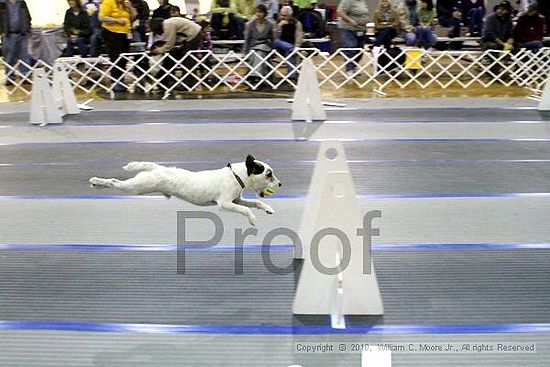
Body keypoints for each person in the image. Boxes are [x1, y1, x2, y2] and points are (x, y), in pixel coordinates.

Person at [149, 16, 202, 88]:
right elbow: (174, 40)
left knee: (188, 60)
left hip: (193, 35)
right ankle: (188, 83)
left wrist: (159, 50)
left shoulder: (167, 25)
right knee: (187, 59)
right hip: (193, 34)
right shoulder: (168, 23)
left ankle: (188, 85)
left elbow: (170, 43)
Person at [98, 0, 137, 91]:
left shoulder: (124, 4)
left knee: (124, 58)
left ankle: (121, 80)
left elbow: (133, 17)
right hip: (111, 33)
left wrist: (131, 8)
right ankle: (115, 81)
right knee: (115, 57)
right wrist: (116, 20)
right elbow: (101, 17)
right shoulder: (108, 2)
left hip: (125, 33)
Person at [0, 0, 32, 80]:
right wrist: (2, 31)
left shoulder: (22, 3)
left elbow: (28, 16)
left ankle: (25, 76)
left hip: (23, 34)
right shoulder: (2, 3)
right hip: (8, 35)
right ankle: (10, 77)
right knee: (9, 57)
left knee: (25, 56)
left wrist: (28, 28)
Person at [337, 0, 369, 76]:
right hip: (348, 29)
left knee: (359, 49)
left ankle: (354, 67)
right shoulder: (347, 1)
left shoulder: (362, 1)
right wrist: (350, 20)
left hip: (361, 29)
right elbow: (340, 12)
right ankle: (349, 69)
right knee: (350, 48)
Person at [244, 4, 274, 82]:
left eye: (260, 12)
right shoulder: (250, 24)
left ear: (265, 13)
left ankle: (254, 74)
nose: (258, 14)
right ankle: (258, 75)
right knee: (258, 52)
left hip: (265, 46)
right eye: (257, 12)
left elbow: (272, 38)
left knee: (261, 49)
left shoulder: (269, 24)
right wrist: (245, 51)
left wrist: (273, 49)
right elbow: (247, 39)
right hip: (253, 46)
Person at [273, 5, 303, 79]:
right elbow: (273, 37)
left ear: (290, 15)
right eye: (281, 14)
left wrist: (297, 46)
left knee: (291, 52)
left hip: (290, 46)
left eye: (285, 15)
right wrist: (279, 27)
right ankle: (291, 48)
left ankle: (291, 76)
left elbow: (299, 36)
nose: (282, 17)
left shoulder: (297, 23)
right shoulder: (277, 22)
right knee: (276, 42)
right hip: (277, 45)